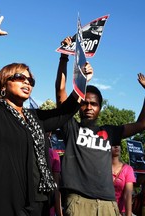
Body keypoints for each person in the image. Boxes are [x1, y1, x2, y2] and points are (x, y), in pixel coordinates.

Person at [0, 9, 90, 216]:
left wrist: (82, 78)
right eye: (20, 77)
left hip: (38, 205)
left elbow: (65, 112)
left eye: (31, 80)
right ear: (3, 84)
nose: (27, 82)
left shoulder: (35, 118)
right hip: (2, 205)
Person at [55, 37, 145, 215]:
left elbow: (141, 124)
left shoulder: (110, 132)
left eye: (93, 104)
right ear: (79, 105)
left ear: (99, 108)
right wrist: (64, 57)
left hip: (107, 203)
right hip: (79, 202)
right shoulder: (71, 128)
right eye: (84, 103)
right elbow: (60, 92)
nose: (88, 107)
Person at [111, 145, 136, 216]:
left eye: (118, 144)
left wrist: (128, 214)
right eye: (113, 144)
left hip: (121, 212)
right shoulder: (102, 167)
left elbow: (128, 195)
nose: (116, 146)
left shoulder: (128, 169)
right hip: (104, 209)